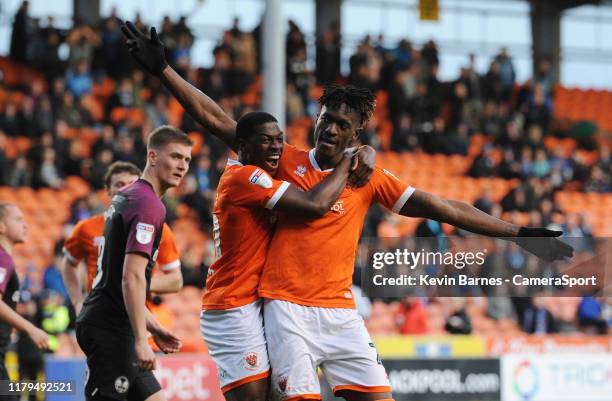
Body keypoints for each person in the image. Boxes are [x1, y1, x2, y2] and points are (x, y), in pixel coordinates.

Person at [124, 24, 573, 401]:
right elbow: (219, 120)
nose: (331, 129)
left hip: (340, 312)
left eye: (343, 125)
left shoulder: (368, 176)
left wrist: (518, 233)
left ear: (358, 132)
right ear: (316, 117)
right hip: (285, 309)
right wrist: (164, 70)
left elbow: (441, 205)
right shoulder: (283, 159)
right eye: (326, 119)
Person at [201, 110, 360, 399]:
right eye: (266, 140)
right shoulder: (246, 177)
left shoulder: (254, 175)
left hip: (256, 302)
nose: (276, 147)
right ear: (244, 146)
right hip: (232, 306)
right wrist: (349, 162)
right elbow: (315, 204)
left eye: (279, 140)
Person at [76, 126, 190, 401]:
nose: (182, 166)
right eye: (175, 157)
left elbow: (120, 279)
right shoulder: (148, 205)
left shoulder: (129, 195)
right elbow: (132, 278)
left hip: (115, 320)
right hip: (111, 328)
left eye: (186, 160)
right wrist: (142, 338)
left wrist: (153, 327)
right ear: (152, 156)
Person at [61, 161, 182, 315]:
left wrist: (134, 284)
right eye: (119, 184)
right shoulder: (86, 228)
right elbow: (68, 263)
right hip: (98, 316)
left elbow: (176, 280)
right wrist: (78, 301)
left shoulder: (159, 229)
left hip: (140, 317)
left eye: (133, 184)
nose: (126, 188)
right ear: (107, 190)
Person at [0, 203, 49, 399]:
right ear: (2, 226)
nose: (26, 225)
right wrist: (30, 329)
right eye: (19, 220)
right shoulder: (2, 258)